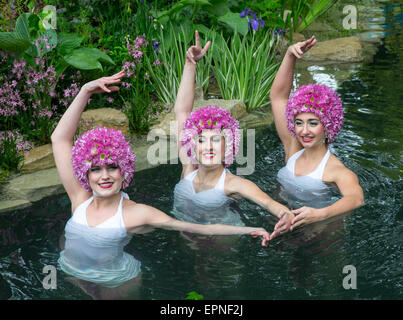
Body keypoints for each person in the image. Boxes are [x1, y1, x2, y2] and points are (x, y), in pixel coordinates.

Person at [50, 70, 271, 298]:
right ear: (84, 173)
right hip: (71, 273)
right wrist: (85, 91)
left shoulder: (136, 214)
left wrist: (249, 230)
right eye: (95, 169)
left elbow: (196, 228)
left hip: (114, 282)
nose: (104, 176)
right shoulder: (79, 200)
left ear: (124, 170)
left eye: (112, 167)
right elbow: (59, 139)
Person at [173, 31, 294, 240]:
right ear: (192, 144)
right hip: (188, 240)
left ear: (228, 145)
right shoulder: (187, 169)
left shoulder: (234, 184)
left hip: (223, 245)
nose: (208, 146)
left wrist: (286, 215)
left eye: (216, 139)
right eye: (201, 140)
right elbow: (182, 111)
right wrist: (190, 64)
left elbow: (269, 203)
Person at [270, 35, 364, 233]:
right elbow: (278, 97)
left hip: (319, 232)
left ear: (328, 124)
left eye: (313, 123)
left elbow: (356, 199)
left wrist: (320, 214)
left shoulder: (336, 171)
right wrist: (289, 55)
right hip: (282, 223)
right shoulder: (292, 148)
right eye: (298, 123)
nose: (304, 131)